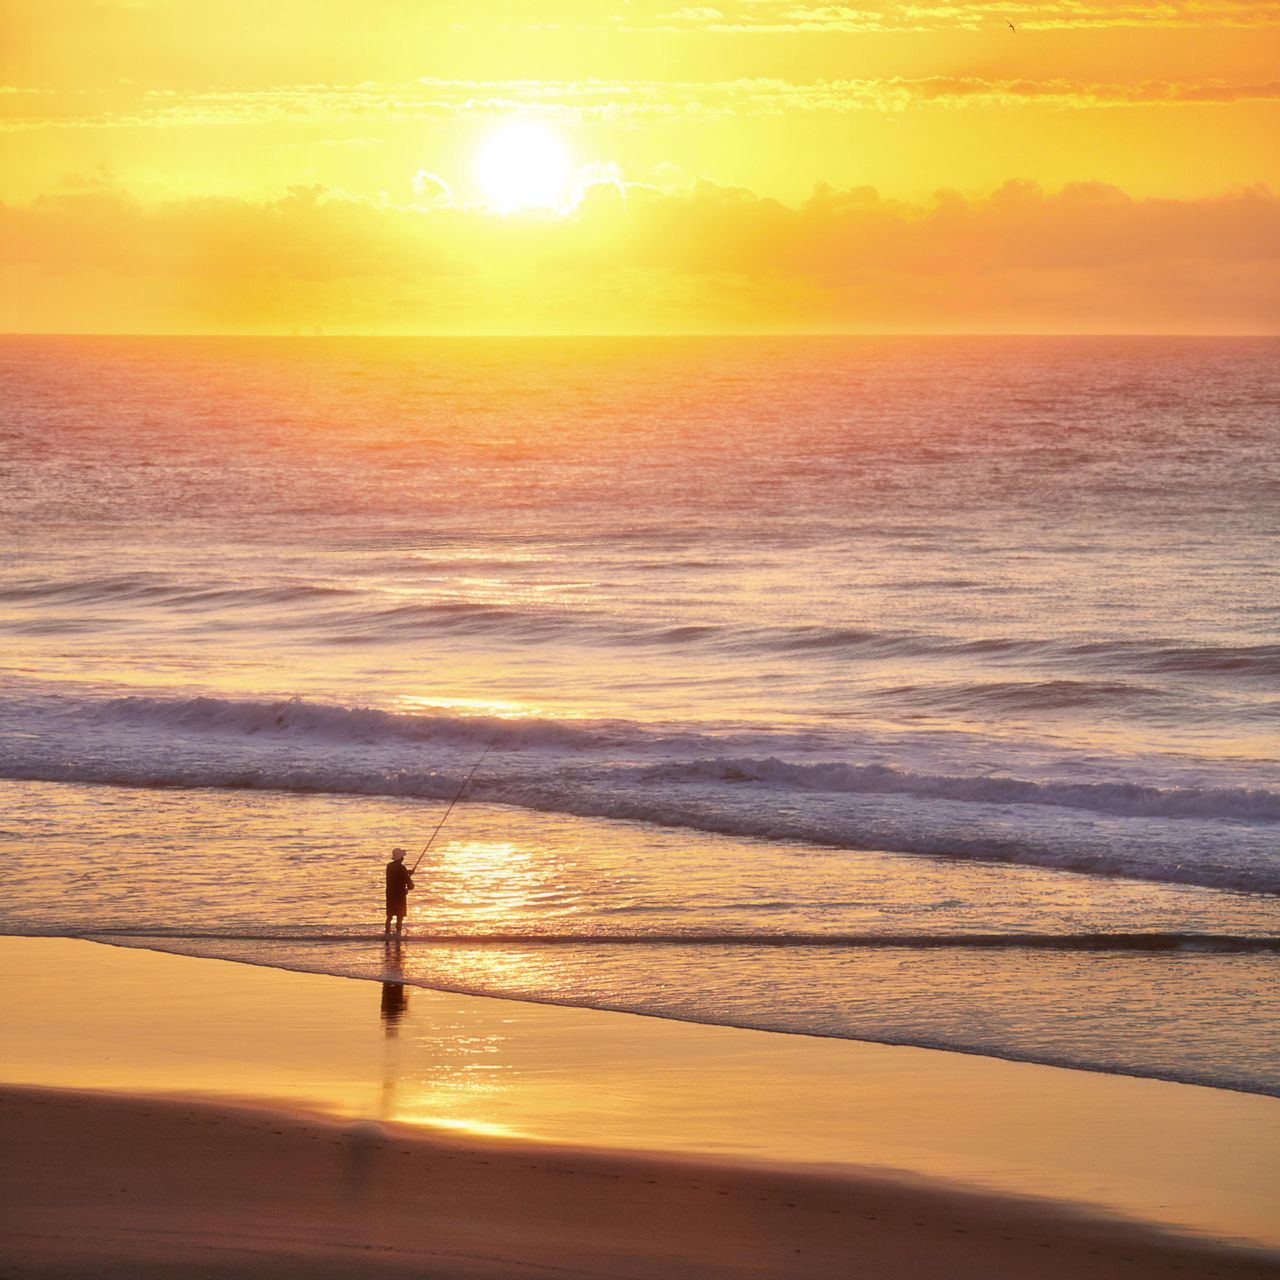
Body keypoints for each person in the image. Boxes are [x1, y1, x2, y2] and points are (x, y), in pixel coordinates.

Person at [384, 847, 414, 938]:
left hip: (390, 895)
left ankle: (387, 933)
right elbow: (410, 886)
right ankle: (398, 935)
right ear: (401, 858)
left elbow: (396, 874)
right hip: (399, 896)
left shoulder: (389, 866)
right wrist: (409, 877)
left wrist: (408, 872)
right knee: (399, 916)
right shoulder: (402, 868)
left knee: (389, 916)